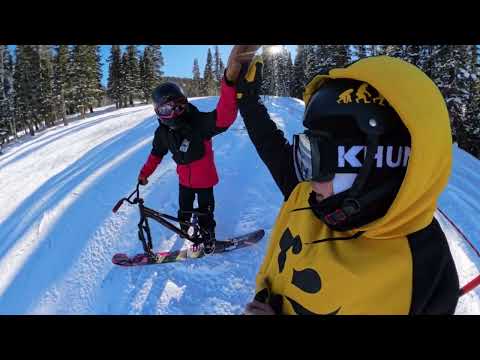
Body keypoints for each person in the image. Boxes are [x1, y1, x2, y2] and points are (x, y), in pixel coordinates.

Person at [237, 52, 459, 314]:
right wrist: (246, 97)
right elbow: (270, 144)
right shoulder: (309, 195)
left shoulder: (424, 271)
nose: (309, 179)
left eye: (321, 159)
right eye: (308, 154)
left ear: (379, 161)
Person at [138, 46, 257, 254]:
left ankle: (208, 239)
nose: (174, 113)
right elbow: (155, 155)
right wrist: (144, 174)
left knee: (205, 213)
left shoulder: (198, 122)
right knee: (183, 210)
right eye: (167, 109)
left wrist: (228, 83)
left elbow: (223, 116)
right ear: (159, 112)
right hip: (184, 181)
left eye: (179, 106)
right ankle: (185, 231)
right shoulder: (163, 133)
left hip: (205, 182)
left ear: (186, 104)